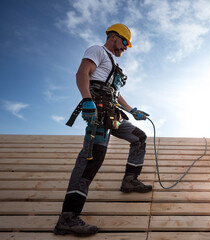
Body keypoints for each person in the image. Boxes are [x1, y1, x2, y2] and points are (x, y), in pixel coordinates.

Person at [54, 23, 152, 236]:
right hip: (98, 113)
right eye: (124, 42)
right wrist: (86, 100)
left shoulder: (112, 63)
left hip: (112, 114)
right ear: (114, 36)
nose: (125, 48)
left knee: (139, 137)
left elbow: (114, 94)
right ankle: (68, 217)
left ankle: (130, 181)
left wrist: (132, 110)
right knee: (92, 158)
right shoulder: (97, 50)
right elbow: (82, 73)